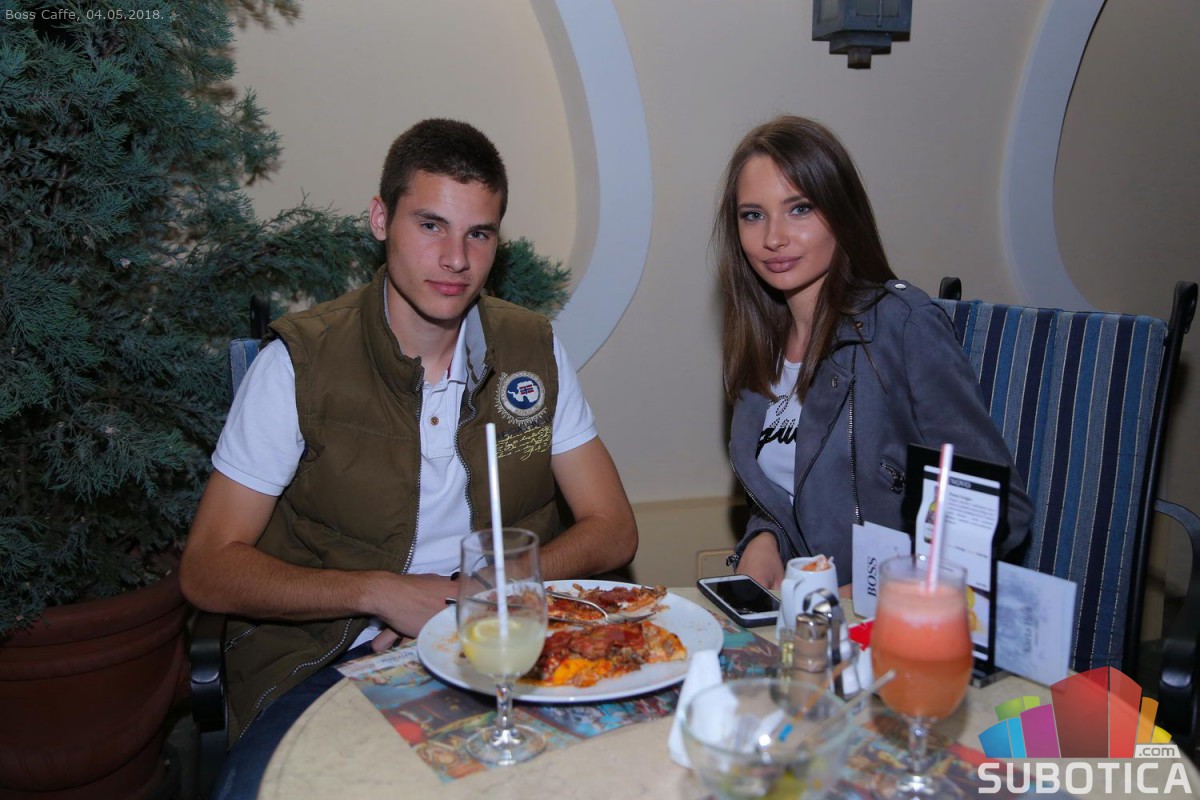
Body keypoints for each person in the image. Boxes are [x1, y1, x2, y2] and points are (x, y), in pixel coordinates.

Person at [180, 118, 637, 796]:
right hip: (336, 659)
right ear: (380, 219)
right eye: (430, 226)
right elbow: (208, 568)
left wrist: (486, 592)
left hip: (503, 648)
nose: (456, 259)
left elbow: (613, 527)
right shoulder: (299, 366)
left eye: (479, 234)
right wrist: (382, 595)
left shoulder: (530, 352)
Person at [714, 115, 1032, 590]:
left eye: (799, 209)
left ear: (842, 213)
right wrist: (765, 538)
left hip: (898, 619)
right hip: (807, 614)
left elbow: (1000, 511)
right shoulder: (758, 345)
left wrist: (880, 591)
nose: (773, 237)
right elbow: (792, 492)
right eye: (753, 215)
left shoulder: (902, 326)